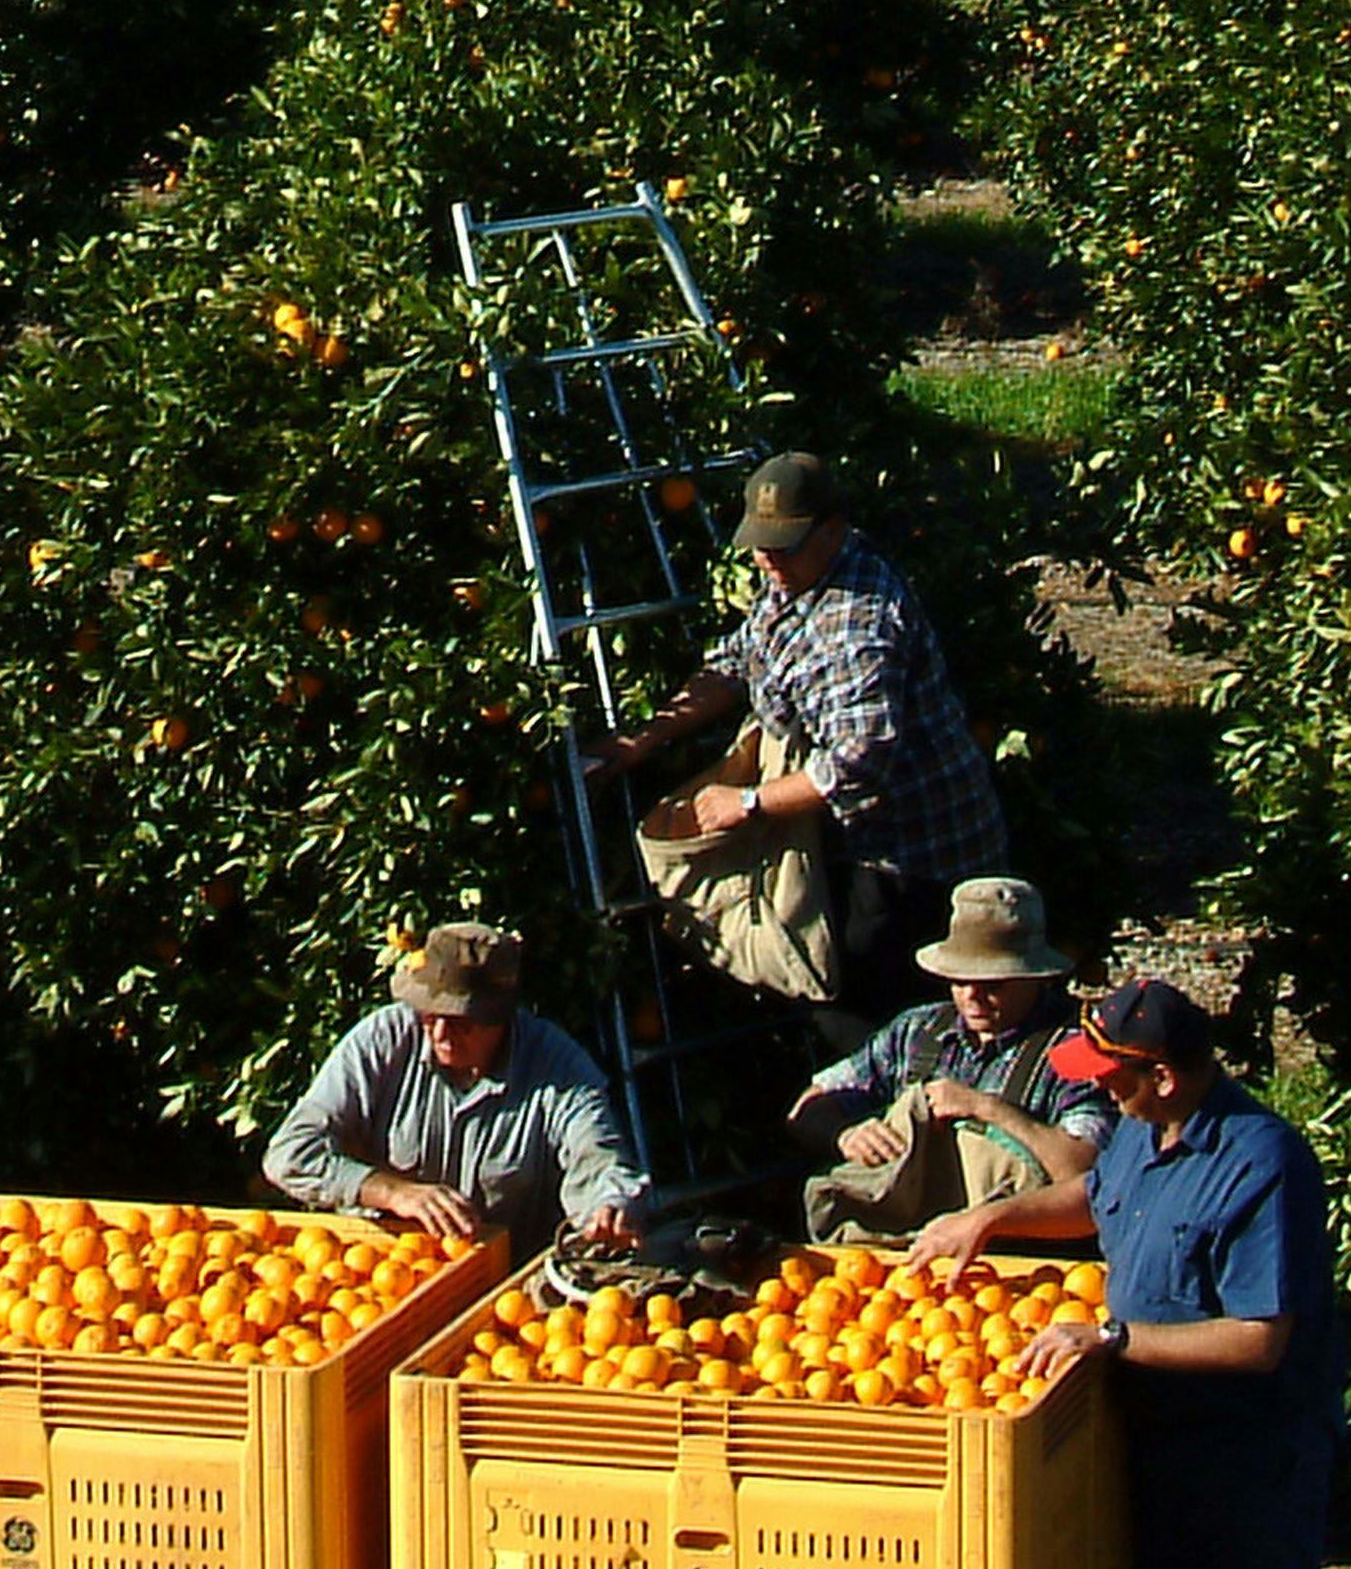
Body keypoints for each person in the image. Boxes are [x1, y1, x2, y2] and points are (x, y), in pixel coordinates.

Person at [922, 972, 1351, 1569]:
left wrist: (1113, 1338)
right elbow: (1097, 1202)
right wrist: (992, 1219)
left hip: (1252, 1449)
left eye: (1112, 1074)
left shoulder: (1262, 1163)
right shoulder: (1141, 1131)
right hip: (1159, 1435)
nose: (1098, 1088)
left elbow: (1258, 1339)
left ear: (1164, 1074)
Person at [596, 449, 1001, 1020]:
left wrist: (749, 803)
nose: (766, 558)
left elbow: (859, 760)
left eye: (783, 545)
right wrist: (647, 737)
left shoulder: (857, 626)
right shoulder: (795, 579)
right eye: (760, 544)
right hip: (854, 841)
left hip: (910, 856)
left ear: (833, 530)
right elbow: (739, 661)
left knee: (878, 1015)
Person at [258, 922, 645, 1253]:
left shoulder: (558, 1069)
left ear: (500, 1019)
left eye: (462, 1021)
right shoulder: (385, 1040)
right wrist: (390, 1192)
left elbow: (598, 1161)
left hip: (506, 1297)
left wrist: (608, 1209)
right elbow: (290, 1153)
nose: (441, 1034)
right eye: (430, 1016)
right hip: (389, 1278)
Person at [789, 875, 1088, 1246]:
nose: (972, 996)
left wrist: (987, 1108)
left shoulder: (1074, 1051)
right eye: (959, 980)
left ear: (1036, 977)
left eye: (993, 984)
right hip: (900, 1260)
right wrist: (845, 1133)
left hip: (1017, 1263)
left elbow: (1083, 1173)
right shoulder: (917, 1032)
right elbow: (806, 1109)